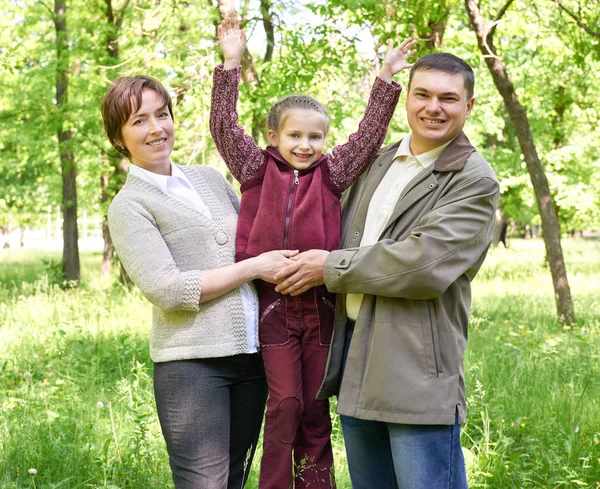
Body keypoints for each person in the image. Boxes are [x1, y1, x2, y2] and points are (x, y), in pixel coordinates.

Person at [274, 52, 500, 489]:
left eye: (448, 98)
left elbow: (423, 264)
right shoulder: (378, 162)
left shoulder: (472, 178)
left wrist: (328, 268)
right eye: (423, 94)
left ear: (468, 106)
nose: (433, 107)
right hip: (354, 353)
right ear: (408, 99)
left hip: (415, 362)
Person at [210, 17, 416, 489]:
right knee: (283, 405)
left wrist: (384, 80)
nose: (305, 145)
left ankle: (316, 484)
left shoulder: (333, 172)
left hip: (322, 306)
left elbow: (366, 137)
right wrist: (231, 63)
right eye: (295, 136)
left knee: (314, 406)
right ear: (275, 137)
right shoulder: (254, 167)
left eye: (315, 137)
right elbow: (223, 125)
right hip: (275, 306)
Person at [102, 74, 298, 489]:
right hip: (193, 365)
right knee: (203, 484)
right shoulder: (129, 205)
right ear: (119, 137)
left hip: (252, 358)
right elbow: (168, 289)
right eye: (139, 121)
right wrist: (254, 268)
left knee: (234, 477)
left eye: (162, 114)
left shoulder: (209, 178)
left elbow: (253, 238)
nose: (156, 129)